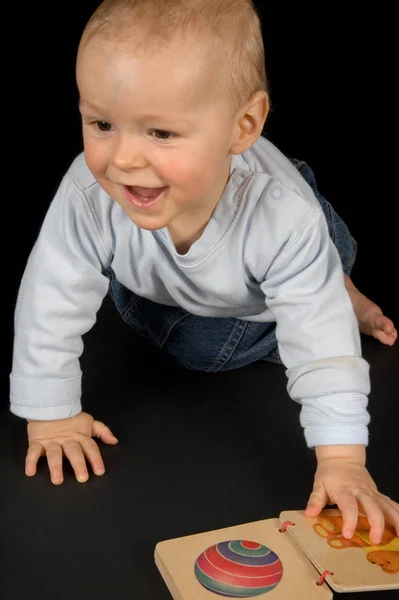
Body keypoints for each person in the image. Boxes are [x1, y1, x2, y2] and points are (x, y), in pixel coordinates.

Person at [10, 0, 398, 546]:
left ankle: (341, 286)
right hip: (154, 285)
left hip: (251, 298)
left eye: (161, 134)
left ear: (244, 127)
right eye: (102, 123)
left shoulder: (282, 216)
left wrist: (342, 459)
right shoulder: (88, 191)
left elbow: (320, 342)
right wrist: (50, 414)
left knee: (248, 320)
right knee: (152, 317)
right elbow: (50, 291)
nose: (122, 158)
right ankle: (327, 280)